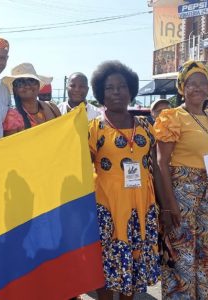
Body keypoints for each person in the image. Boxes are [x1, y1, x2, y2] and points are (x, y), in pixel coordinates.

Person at [88, 61, 164, 300]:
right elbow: (79, 169)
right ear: (101, 93)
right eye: (110, 88)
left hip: (142, 206)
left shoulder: (145, 127)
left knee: (133, 263)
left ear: (131, 91)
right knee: (106, 264)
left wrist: (166, 206)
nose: (117, 92)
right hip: (108, 207)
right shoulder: (94, 128)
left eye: (122, 87)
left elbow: (157, 169)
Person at [154, 60, 208, 299]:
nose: (197, 88)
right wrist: (168, 206)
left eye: (203, 82)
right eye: (191, 83)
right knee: (182, 256)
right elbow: (160, 163)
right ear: (181, 88)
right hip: (181, 192)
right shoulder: (171, 117)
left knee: (206, 255)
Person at [2, 62, 61, 135]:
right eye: (20, 82)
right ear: (15, 89)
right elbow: (11, 145)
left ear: (38, 85)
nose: (27, 86)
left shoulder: (52, 108)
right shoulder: (11, 117)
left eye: (31, 81)